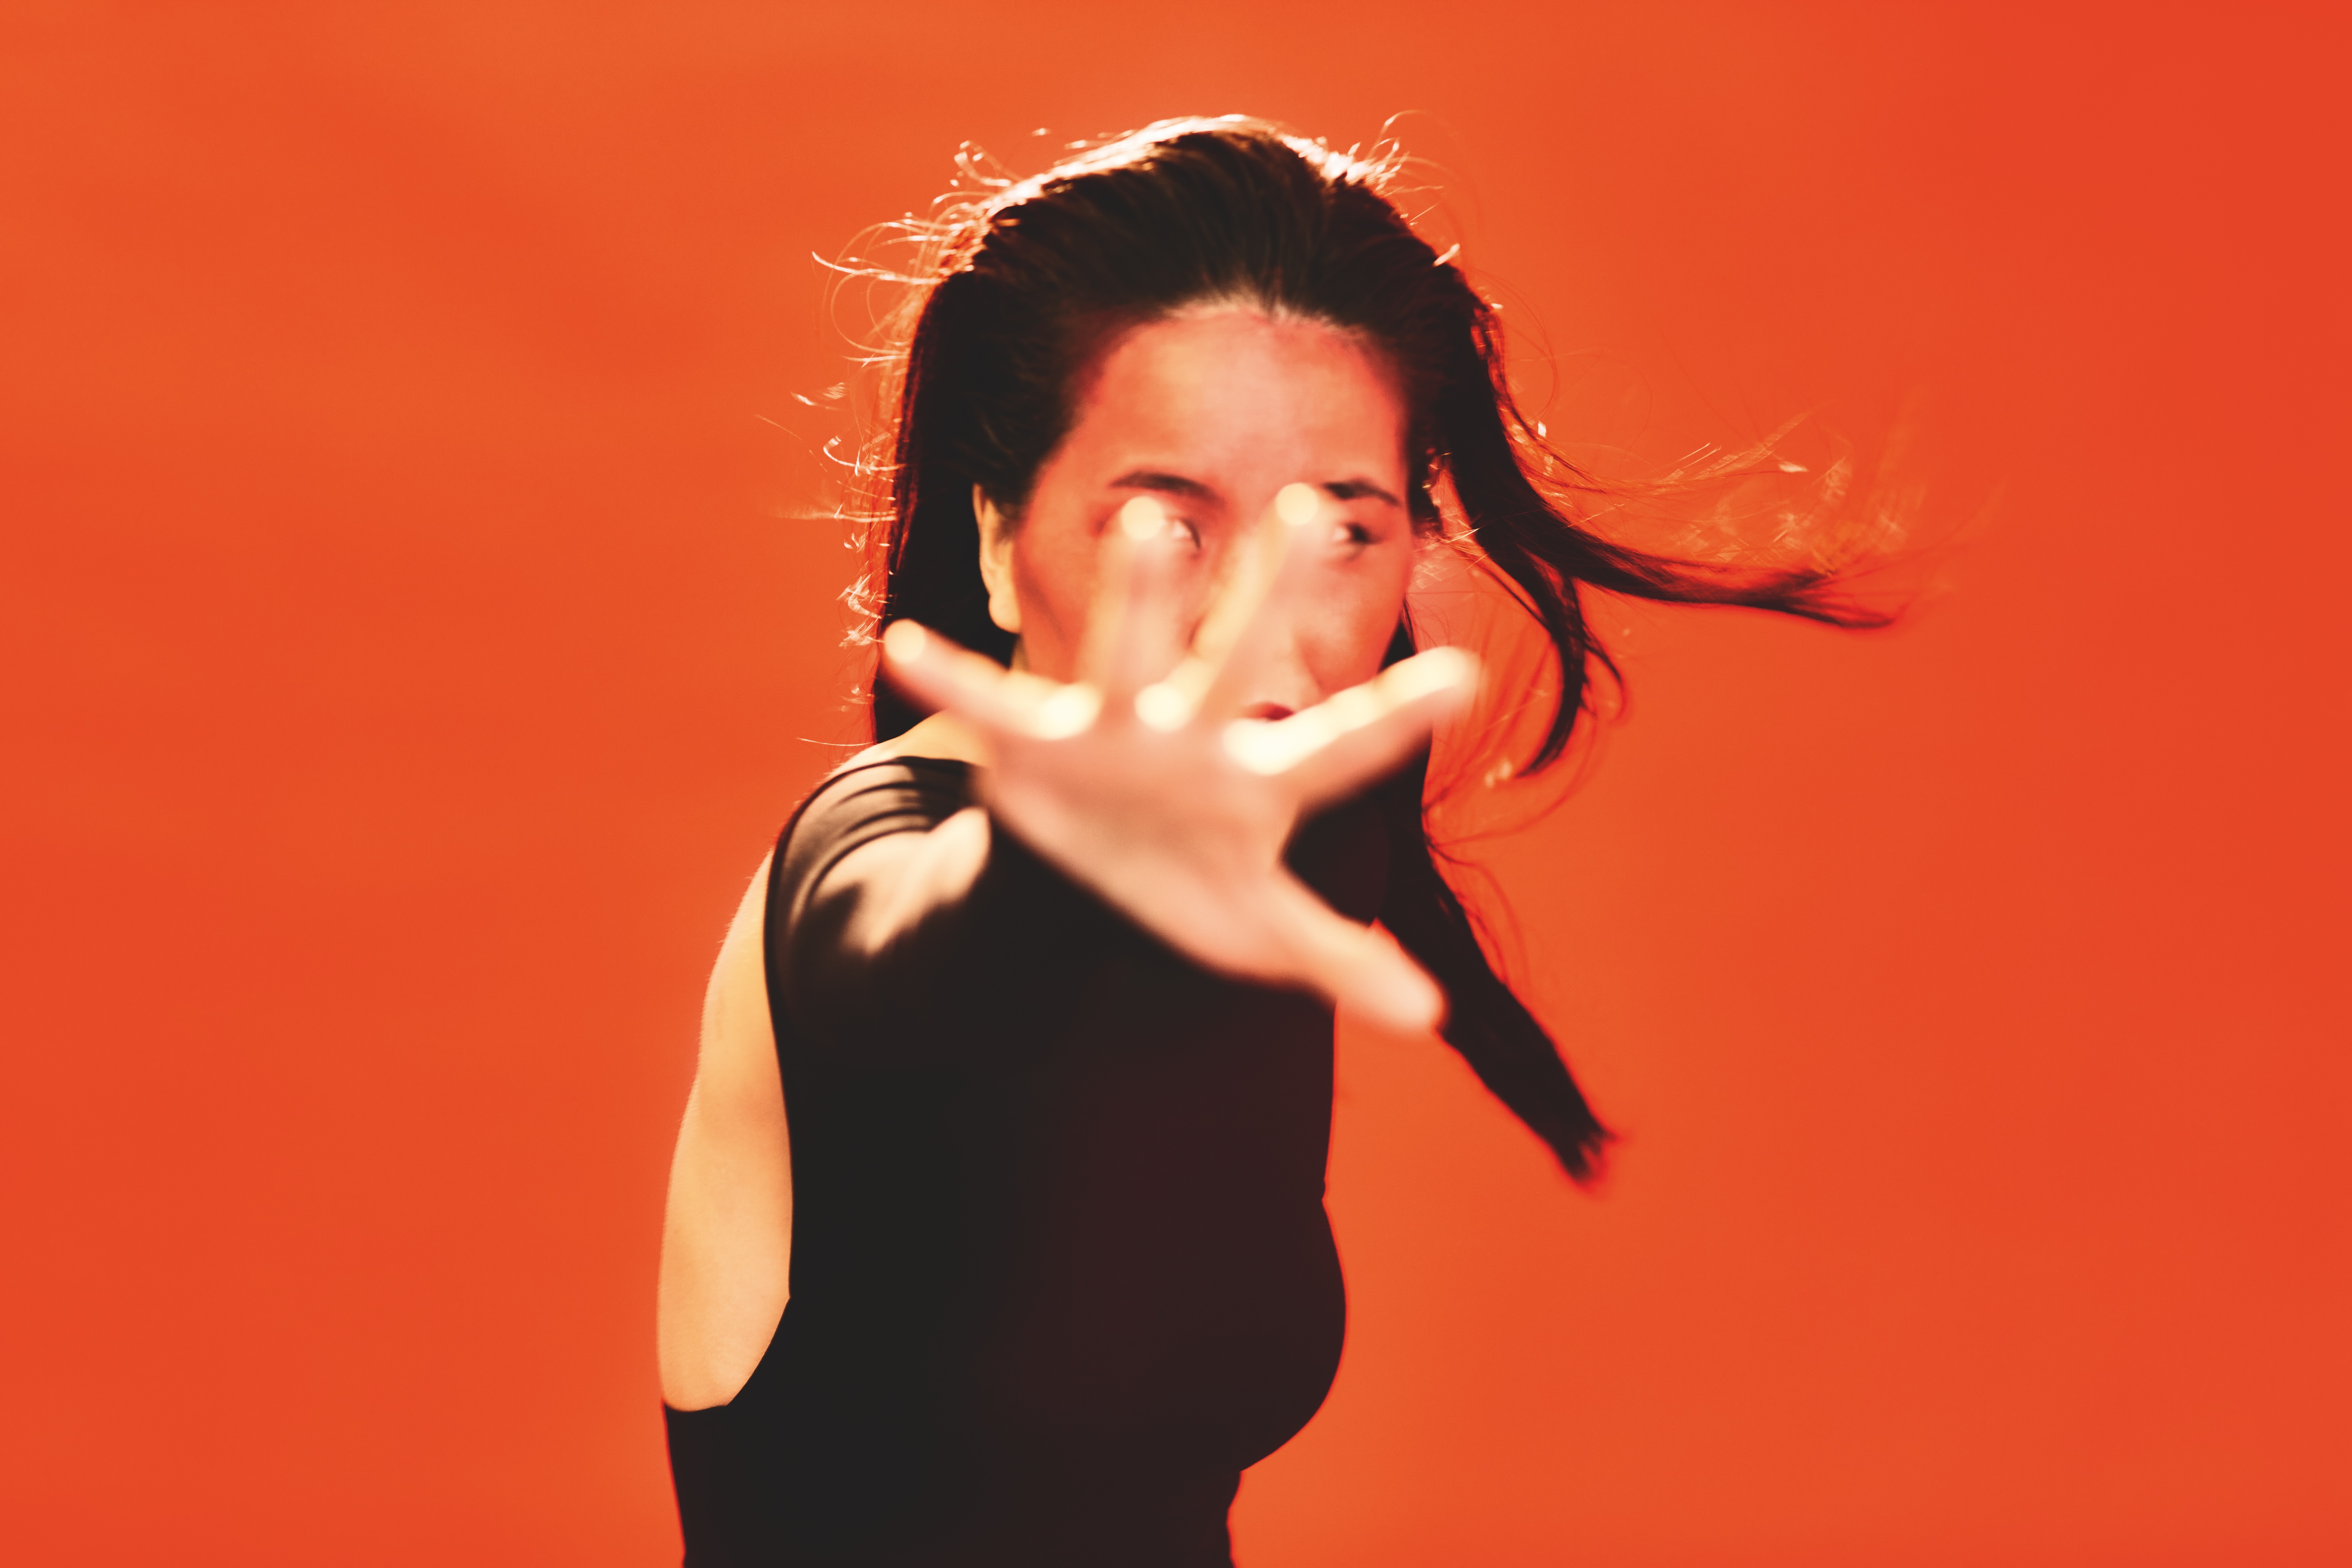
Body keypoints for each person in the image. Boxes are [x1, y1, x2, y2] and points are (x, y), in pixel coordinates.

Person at [655, 118, 1880, 1566]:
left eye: (1342, 533)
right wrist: (1056, 868)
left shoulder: (1302, 837)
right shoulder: (870, 855)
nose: (1260, 616)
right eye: (1168, 524)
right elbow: (903, 954)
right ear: (997, 539)